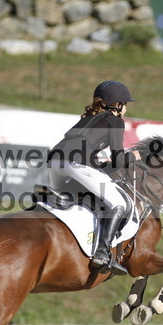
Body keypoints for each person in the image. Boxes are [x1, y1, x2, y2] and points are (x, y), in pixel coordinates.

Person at [48, 81, 139, 275]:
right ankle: (103, 253)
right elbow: (119, 159)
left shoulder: (88, 118)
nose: (126, 108)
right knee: (118, 204)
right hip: (77, 163)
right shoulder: (115, 121)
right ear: (118, 105)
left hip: (55, 161)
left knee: (77, 196)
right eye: (125, 104)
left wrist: (100, 165)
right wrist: (134, 156)